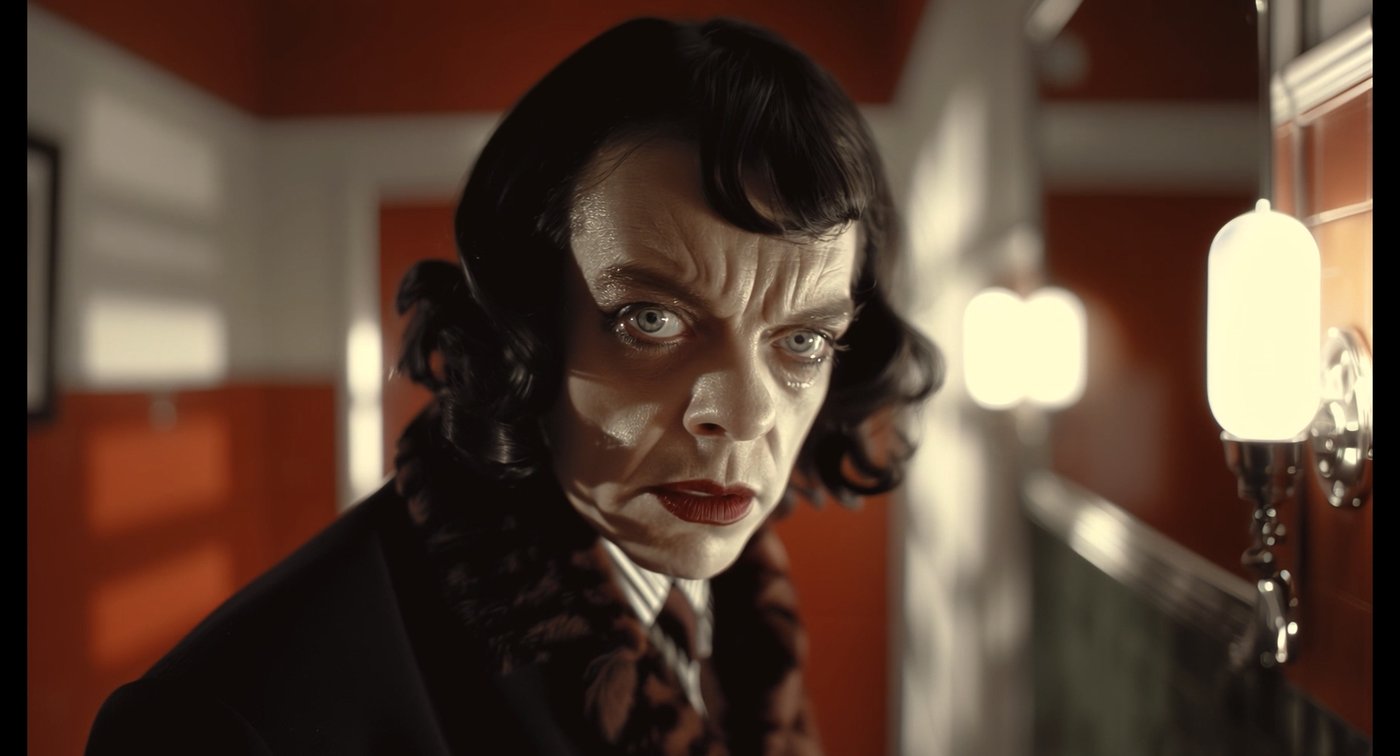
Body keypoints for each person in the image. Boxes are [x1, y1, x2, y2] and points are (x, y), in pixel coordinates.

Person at [86, 16, 941, 756]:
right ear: (521, 329)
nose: (747, 415)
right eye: (650, 320)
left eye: (801, 340)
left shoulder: (745, 608)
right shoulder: (231, 723)